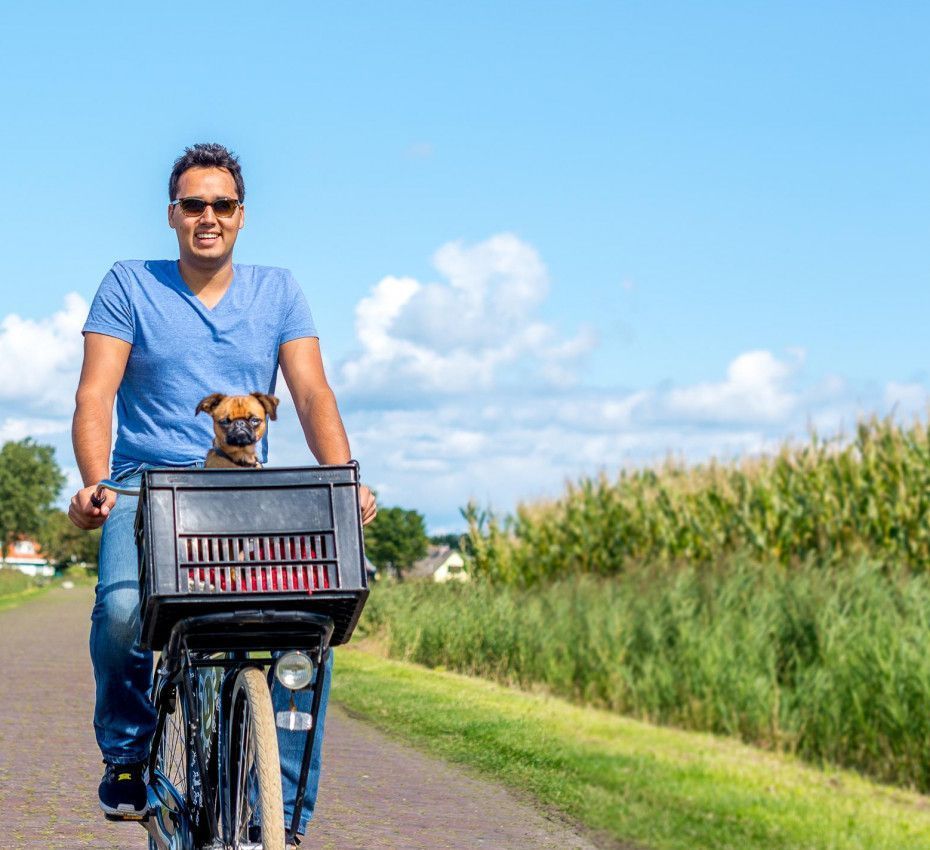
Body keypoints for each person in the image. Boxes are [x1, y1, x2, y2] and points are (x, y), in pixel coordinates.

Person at [68, 142, 376, 843]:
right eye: (194, 204)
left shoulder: (278, 291)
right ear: (172, 213)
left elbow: (310, 391)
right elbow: (96, 392)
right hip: (148, 482)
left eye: (222, 205)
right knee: (121, 610)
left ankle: (280, 810)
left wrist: (344, 478)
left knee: (306, 624)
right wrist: (96, 482)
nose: (208, 216)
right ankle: (126, 755)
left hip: (243, 489)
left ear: (242, 215)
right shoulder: (129, 284)